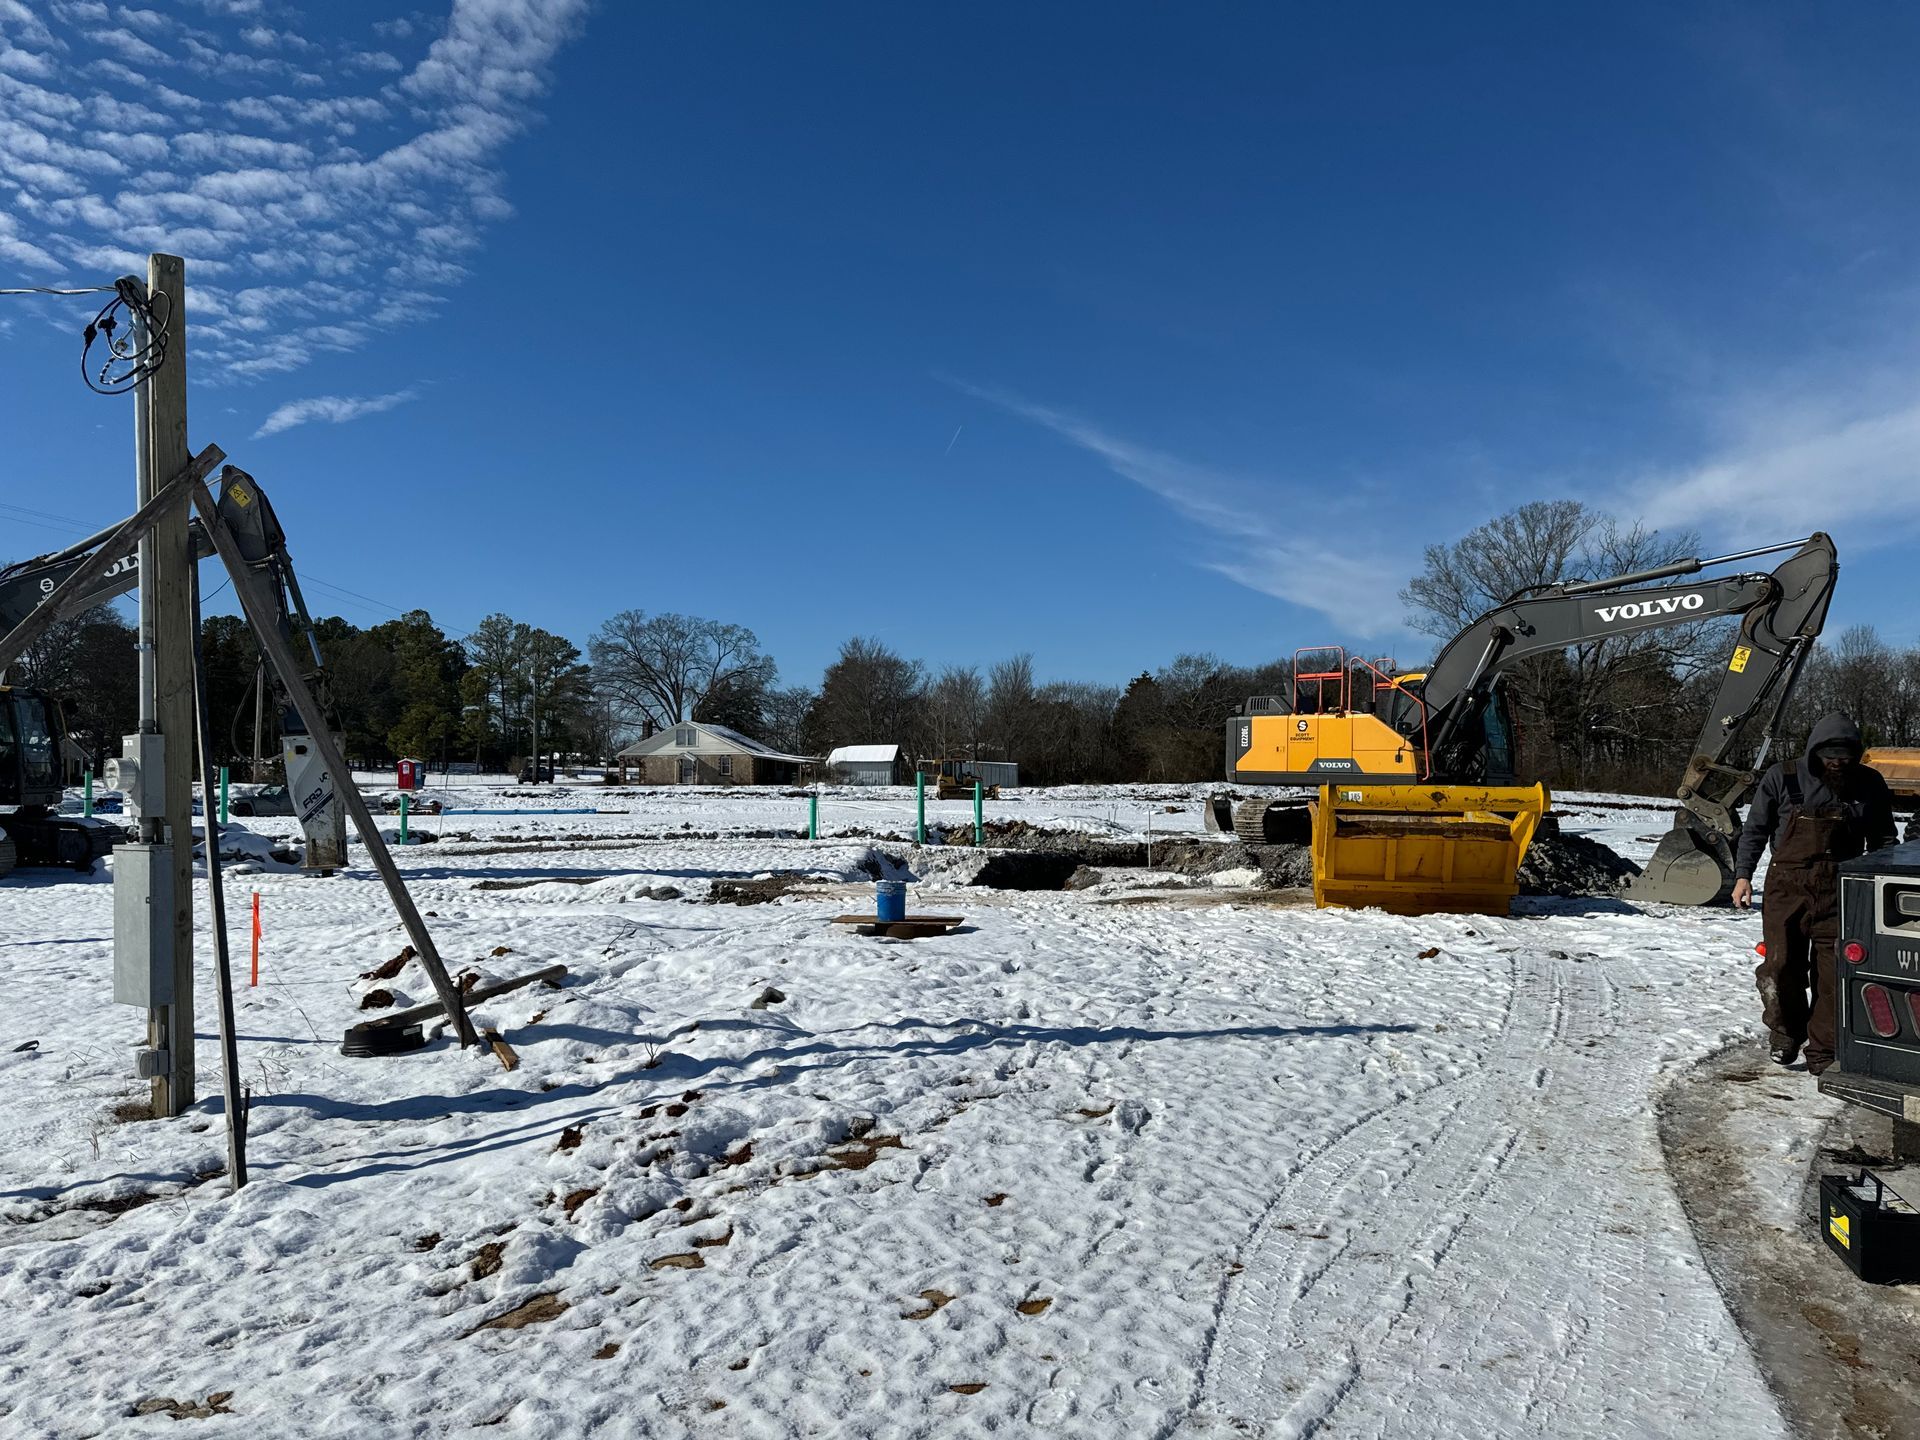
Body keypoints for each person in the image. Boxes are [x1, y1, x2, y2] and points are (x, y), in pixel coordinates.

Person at [1732, 713, 1898, 1074]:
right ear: (1815, 751)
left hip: (1843, 890)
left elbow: (1884, 840)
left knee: (1834, 972)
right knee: (1781, 966)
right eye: (1830, 755)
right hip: (1787, 888)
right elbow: (1755, 829)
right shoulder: (1783, 776)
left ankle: (1823, 1048)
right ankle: (1786, 1031)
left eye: (1845, 755)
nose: (1837, 762)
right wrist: (1743, 875)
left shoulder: (1869, 783)